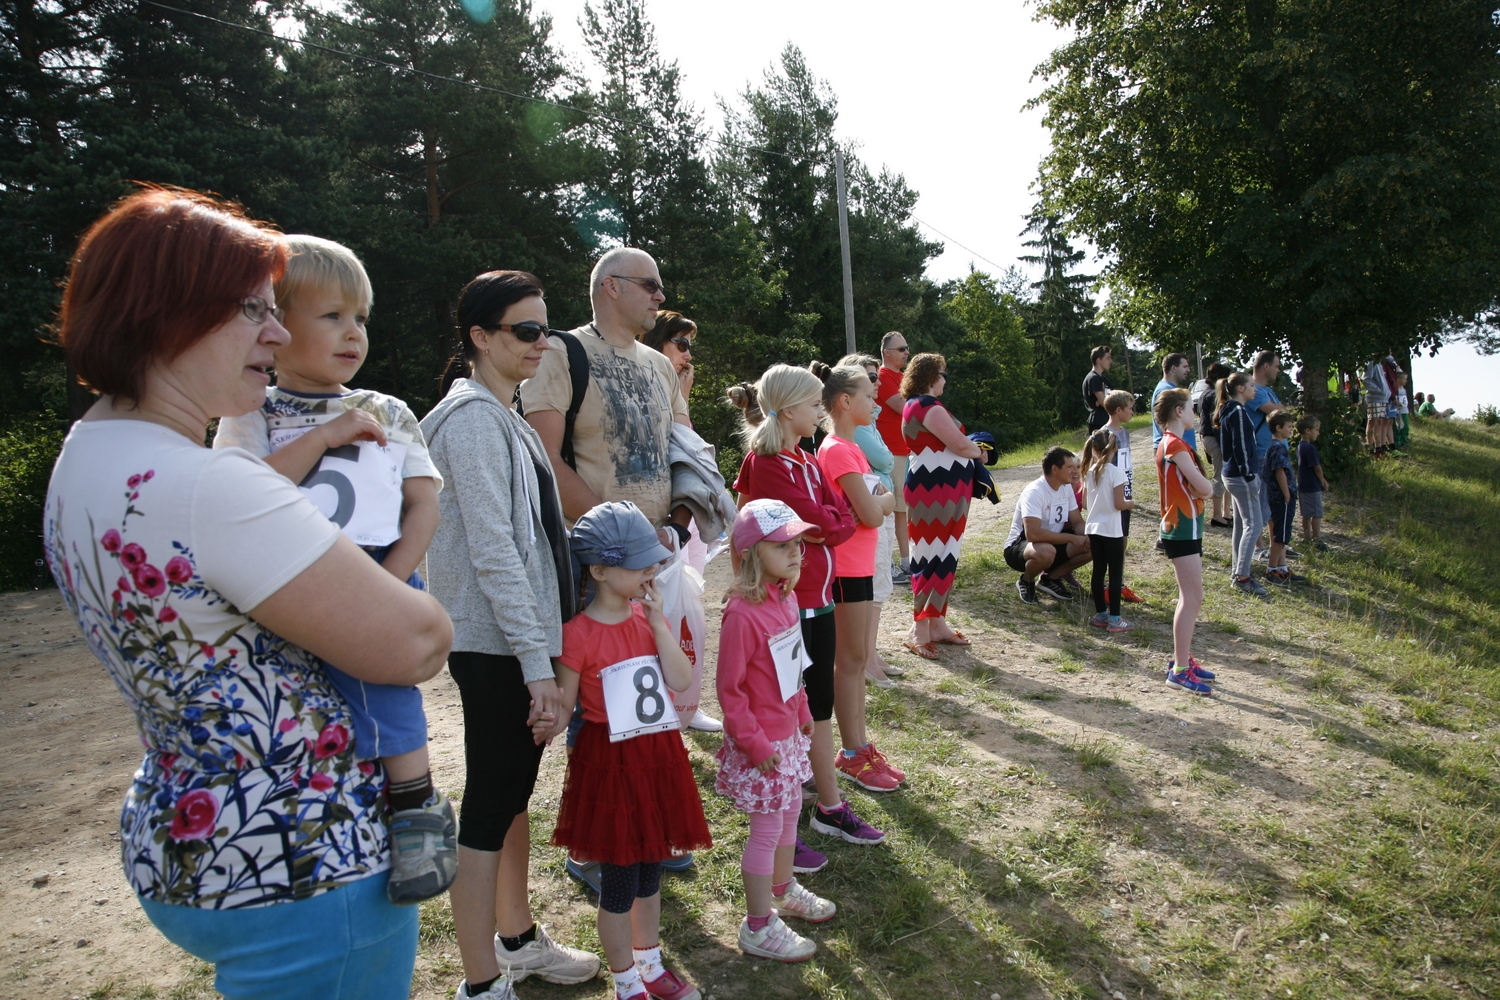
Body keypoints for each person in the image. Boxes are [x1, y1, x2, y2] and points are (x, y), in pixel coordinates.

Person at [44, 187, 452, 999]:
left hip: (189, 827)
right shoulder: (212, 483)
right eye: (251, 311)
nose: (276, 332)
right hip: (301, 859)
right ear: (167, 312)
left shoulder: (88, 456)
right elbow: (414, 643)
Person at [213, 234, 453, 905]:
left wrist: (390, 583)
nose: (353, 334)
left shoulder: (389, 411)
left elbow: (423, 503)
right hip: (284, 582)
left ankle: (417, 809)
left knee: (385, 691)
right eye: (331, 317)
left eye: (361, 319)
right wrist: (320, 437)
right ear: (275, 329)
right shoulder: (249, 413)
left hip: (379, 571)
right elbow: (240, 492)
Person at [422, 271, 601, 999]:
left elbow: (536, 543)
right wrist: (537, 664)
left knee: (514, 792)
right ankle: (481, 982)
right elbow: (495, 550)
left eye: (546, 330)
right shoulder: (469, 420)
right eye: (525, 331)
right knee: (492, 806)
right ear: (480, 337)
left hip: (519, 642)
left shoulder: (504, 416)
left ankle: (518, 940)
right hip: (496, 647)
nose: (542, 344)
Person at [544, 502, 712, 1000]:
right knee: (619, 877)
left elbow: (681, 681)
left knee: (651, 868)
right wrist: (541, 712)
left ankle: (650, 961)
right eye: (639, 565)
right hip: (611, 764)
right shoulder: (577, 635)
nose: (651, 572)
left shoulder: (646, 620)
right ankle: (624, 980)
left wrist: (659, 623)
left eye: (652, 563)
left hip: (657, 757)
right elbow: (566, 707)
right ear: (599, 571)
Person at [729, 366, 884, 855]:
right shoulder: (770, 460)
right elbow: (821, 522)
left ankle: (821, 807)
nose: (822, 410)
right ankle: (793, 817)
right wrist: (829, 521)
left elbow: (831, 517)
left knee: (813, 703)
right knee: (789, 707)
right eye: (816, 403)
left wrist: (828, 521)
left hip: (817, 598)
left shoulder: (805, 458)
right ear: (790, 408)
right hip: (788, 604)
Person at [717, 499, 838, 963]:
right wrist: (753, 742)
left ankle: (783, 890)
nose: (796, 552)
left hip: (788, 738)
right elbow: (729, 691)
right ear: (751, 552)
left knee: (789, 816)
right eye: (782, 545)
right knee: (767, 830)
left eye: (798, 544)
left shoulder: (786, 600)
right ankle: (758, 924)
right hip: (762, 745)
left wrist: (804, 707)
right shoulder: (742, 615)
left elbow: (793, 670)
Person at [520, 247, 691, 537]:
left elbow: (688, 458)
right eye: (650, 285)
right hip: (595, 557)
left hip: (663, 556)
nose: (660, 297)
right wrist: (624, 535)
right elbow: (543, 459)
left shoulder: (662, 365)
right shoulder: (558, 353)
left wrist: (676, 532)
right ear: (611, 286)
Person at [813, 362, 902, 792]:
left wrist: (879, 500)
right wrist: (882, 501)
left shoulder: (850, 449)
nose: (877, 402)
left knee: (854, 661)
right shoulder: (837, 450)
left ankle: (859, 746)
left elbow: (873, 502)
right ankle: (851, 753)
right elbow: (870, 511)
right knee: (848, 662)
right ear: (845, 402)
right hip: (845, 568)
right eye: (869, 395)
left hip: (858, 566)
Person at [641, 308, 722, 733]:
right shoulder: (648, 393)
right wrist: (682, 402)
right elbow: (682, 443)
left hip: (684, 525)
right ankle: (661, 706)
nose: (689, 356)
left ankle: (687, 701)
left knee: (687, 616)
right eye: (682, 344)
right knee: (659, 617)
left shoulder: (674, 391)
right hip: (660, 524)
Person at [900, 353, 984, 649]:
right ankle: (918, 628)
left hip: (942, 490)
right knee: (930, 555)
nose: (945, 378)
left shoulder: (918, 405)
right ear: (931, 376)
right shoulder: (926, 405)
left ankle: (936, 622)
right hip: (935, 492)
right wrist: (980, 451)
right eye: (943, 373)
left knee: (944, 554)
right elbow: (959, 444)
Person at [839, 353, 905, 688]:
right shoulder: (853, 435)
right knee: (873, 587)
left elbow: (884, 464)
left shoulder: (870, 421)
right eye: (869, 379)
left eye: (875, 380)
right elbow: (882, 458)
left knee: (879, 585)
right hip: (871, 517)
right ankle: (865, 660)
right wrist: (883, 492)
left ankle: (871, 654)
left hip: (880, 505)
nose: (877, 384)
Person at [1154, 388, 1217, 695]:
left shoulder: (1170, 443)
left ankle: (1183, 658)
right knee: (1191, 598)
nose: (1195, 414)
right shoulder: (1175, 445)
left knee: (1189, 597)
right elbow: (1205, 486)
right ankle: (1179, 669)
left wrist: (1202, 490)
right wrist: (1204, 489)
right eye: (1192, 407)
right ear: (1179, 411)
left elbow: (1200, 488)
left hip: (1185, 526)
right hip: (1181, 528)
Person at [1004, 447, 1092, 604]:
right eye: (1069, 467)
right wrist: (1072, 538)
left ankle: (1050, 578)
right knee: (1047, 551)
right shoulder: (1035, 491)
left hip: (1051, 543)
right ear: (1055, 469)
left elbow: (1077, 522)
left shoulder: (1066, 488)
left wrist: (1093, 536)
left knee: (1095, 544)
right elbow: (1033, 534)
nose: (1074, 471)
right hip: (1020, 546)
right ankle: (1026, 581)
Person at [1216, 372, 1266, 597]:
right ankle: (1242, 577)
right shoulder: (1236, 412)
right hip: (1241, 475)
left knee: (1241, 524)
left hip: (1233, 474)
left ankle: (1239, 571)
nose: (1255, 389)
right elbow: (1241, 446)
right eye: (1252, 385)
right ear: (1241, 389)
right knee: (1254, 525)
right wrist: (1248, 473)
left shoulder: (1232, 410)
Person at [1079, 428, 1135, 632]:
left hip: (1093, 528)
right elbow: (1120, 504)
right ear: (1114, 448)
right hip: (1111, 529)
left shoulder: (1089, 472)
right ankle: (1115, 618)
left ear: (1093, 448)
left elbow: (1084, 503)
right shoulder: (1116, 472)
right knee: (1115, 573)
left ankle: (1101, 614)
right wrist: (1130, 503)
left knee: (1099, 570)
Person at [1101, 390, 1145, 604]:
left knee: (1123, 542)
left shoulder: (1125, 433)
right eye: (1130, 408)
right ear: (1118, 410)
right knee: (1112, 543)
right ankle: (1106, 586)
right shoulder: (1103, 434)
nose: (1133, 412)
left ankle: (1117, 583)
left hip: (1124, 493)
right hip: (1111, 496)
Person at [876, 332, 913, 582]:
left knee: (903, 509)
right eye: (901, 349)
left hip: (902, 451)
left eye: (907, 348)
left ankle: (906, 562)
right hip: (891, 453)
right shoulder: (883, 376)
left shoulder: (900, 377)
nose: (906, 352)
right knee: (892, 510)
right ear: (887, 353)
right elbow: (905, 407)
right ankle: (890, 565)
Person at [1248, 351, 1289, 560]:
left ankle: (1276, 545)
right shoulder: (1254, 390)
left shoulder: (1268, 391)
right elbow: (1279, 414)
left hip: (1274, 452)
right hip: (1262, 453)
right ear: (1265, 366)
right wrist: (1280, 410)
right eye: (1276, 366)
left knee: (1274, 502)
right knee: (1260, 503)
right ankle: (1259, 547)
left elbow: (1283, 413)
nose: (1278, 370)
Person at [1262, 413, 1304, 585]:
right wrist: (1287, 494)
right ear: (1279, 428)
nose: (1291, 430)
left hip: (1275, 497)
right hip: (1281, 498)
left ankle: (1282, 567)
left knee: (1278, 533)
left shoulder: (1273, 446)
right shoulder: (1278, 447)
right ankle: (1272, 569)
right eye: (1289, 427)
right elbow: (1280, 471)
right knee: (1280, 535)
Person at [1194, 362, 1233, 528]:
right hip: (1214, 438)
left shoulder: (1206, 393)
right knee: (1220, 476)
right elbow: (1215, 423)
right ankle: (1218, 515)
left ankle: (1225, 512)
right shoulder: (1215, 396)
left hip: (1207, 437)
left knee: (1223, 475)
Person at [1297, 415, 1330, 551]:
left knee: (1306, 514)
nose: (1318, 433)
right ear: (1308, 430)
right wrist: (1323, 481)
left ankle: (1307, 537)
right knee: (1316, 513)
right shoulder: (1310, 448)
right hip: (1312, 485)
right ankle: (1318, 540)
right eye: (1316, 430)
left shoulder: (1300, 446)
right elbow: (1316, 467)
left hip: (1303, 485)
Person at [1151, 353, 1196, 450]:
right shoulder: (1166, 391)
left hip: (1180, 448)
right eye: (1184, 367)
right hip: (1176, 450)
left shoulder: (1171, 389)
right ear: (1174, 368)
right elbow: (1164, 423)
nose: (1188, 370)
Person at [1362, 356, 1393, 457]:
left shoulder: (1380, 362)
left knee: (1380, 421)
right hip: (1374, 397)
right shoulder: (1371, 361)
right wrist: (1378, 390)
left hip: (1383, 398)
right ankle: (1370, 447)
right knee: (1373, 421)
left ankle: (1379, 448)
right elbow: (1365, 379)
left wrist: (1385, 392)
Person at [1082, 345, 1114, 431]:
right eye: (1108, 358)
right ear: (1099, 360)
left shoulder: (1104, 380)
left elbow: (1113, 397)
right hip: (1098, 422)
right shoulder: (1093, 378)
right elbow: (1104, 402)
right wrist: (1103, 399)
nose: (1111, 361)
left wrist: (1103, 399)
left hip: (1107, 419)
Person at [1392, 372, 1411, 454]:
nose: (1406, 381)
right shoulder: (1394, 389)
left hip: (1404, 411)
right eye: (1404, 379)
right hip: (1397, 411)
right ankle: (1397, 442)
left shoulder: (1403, 389)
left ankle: (1404, 441)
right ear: (1398, 379)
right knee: (1397, 427)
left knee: (1405, 426)